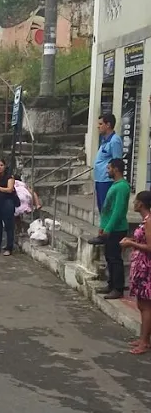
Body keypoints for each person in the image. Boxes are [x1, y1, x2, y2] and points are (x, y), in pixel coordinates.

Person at [92, 158, 130, 299]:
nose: (107, 171)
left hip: (117, 229)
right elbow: (107, 210)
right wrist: (102, 227)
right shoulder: (115, 185)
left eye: (109, 168)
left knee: (115, 258)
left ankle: (118, 288)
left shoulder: (122, 187)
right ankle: (111, 284)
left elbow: (118, 211)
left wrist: (109, 228)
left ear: (116, 169)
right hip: (109, 228)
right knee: (109, 257)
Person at [120, 191, 151, 354]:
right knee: (141, 304)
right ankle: (143, 338)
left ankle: (145, 342)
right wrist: (132, 241)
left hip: (146, 268)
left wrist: (132, 244)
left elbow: (150, 247)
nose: (134, 204)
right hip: (140, 266)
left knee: (146, 306)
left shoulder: (149, 222)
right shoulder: (144, 221)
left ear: (141, 204)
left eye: (136, 201)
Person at [94, 114, 123, 211]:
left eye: (101, 124)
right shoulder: (104, 140)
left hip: (107, 180)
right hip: (100, 179)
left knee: (107, 209)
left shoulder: (115, 141)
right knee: (101, 208)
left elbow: (117, 162)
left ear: (108, 125)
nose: (98, 126)